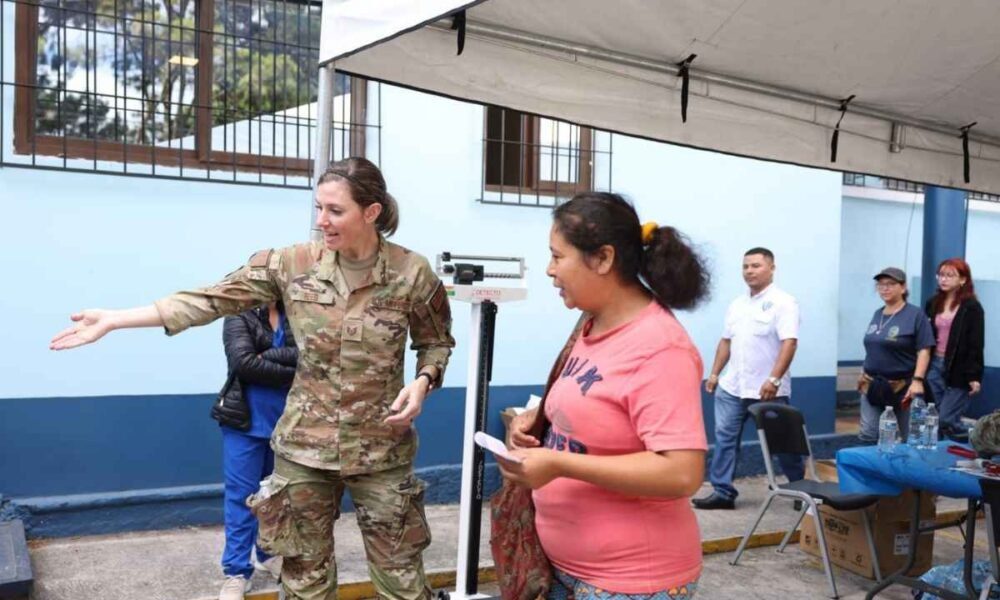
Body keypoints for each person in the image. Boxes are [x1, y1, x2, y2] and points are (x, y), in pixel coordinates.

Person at [50, 157, 455, 600]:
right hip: (304, 451)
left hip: (383, 451)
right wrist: (117, 319)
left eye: (335, 211)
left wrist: (424, 381)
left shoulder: (411, 274)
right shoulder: (291, 263)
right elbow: (212, 299)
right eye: (318, 208)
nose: (322, 222)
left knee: (402, 583)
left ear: (371, 212)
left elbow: (435, 342)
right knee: (304, 581)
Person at [501, 192, 710, 600]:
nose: (549, 270)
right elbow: (591, 406)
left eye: (558, 257)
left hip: (628, 584)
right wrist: (539, 424)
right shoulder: (590, 326)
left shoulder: (660, 348)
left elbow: (682, 473)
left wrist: (558, 463)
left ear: (603, 259)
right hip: (566, 570)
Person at [692, 247, 802, 511]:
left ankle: (800, 488)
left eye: (756, 266)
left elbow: (790, 343)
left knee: (783, 443)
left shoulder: (784, 302)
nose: (749, 271)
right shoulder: (737, 304)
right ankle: (723, 491)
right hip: (732, 387)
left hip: (768, 390)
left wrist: (774, 379)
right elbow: (726, 341)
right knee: (725, 440)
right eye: (745, 267)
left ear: (771, 268)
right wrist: (715, 373)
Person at [215, 302, 297, 599]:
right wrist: (288, 366)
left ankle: (268, 556)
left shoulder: (299, 313)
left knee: (277, 499)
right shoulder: (238, 315)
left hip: (288, 423)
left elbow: (311, 358)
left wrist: (268, 356)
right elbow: (243, 363)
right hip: (244, 423)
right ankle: (236, 572)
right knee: (241, 497)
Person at [857, 267, 934, 443]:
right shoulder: (878, 314)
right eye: (880, 284)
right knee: (869, 433)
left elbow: (924, 349)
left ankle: (910, 470)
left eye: (891, 284)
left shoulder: (915, 314)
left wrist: (918, 381)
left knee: (913, 437)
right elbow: (873, 346)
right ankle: (875, 469)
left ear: (903, 287)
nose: (885, 288)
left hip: (904, 386)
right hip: (873, 384)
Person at [924, 258, 985, 434]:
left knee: (945, 418)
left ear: (963, 280)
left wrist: (974, 375)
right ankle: (942, 452)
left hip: (959, 367)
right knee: (933, 415)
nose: (943, 279)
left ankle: (974, 433)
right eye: (941, 275)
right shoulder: (933, 303)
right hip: (934, 364)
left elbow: (976, 343)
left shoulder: (972, 307)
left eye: (950, 275)